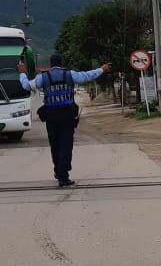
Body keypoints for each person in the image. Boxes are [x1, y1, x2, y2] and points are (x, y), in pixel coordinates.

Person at [18, 54, 111, 187]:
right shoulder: (70, 75)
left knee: (55, 144)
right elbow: (87, 75)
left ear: (50, 64)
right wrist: (102, 69)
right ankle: (63, 174)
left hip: (51, 116)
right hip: (67, 115)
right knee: (66, 145)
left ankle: (59, 170)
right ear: (62, 63)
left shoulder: (43, 77)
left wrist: (22, 73)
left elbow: (27, 86)